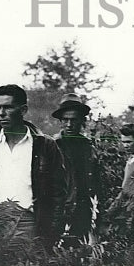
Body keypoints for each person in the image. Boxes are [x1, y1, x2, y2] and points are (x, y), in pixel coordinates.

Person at [0, 84, 67, 250]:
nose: (1, 113)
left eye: (7, 107)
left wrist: (52, 233)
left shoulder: (45, 145)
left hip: (29, 222)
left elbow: (58, 193)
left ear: (23, 110)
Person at [51, 93, 101, 244]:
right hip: (57, 211)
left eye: (73, 120)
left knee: (79, 255)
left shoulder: (88, 147)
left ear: (82, 121)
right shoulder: (51, 146)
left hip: (83, 211)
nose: (69, 124)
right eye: (65, 120)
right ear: (60, 121)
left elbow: (96, 183)